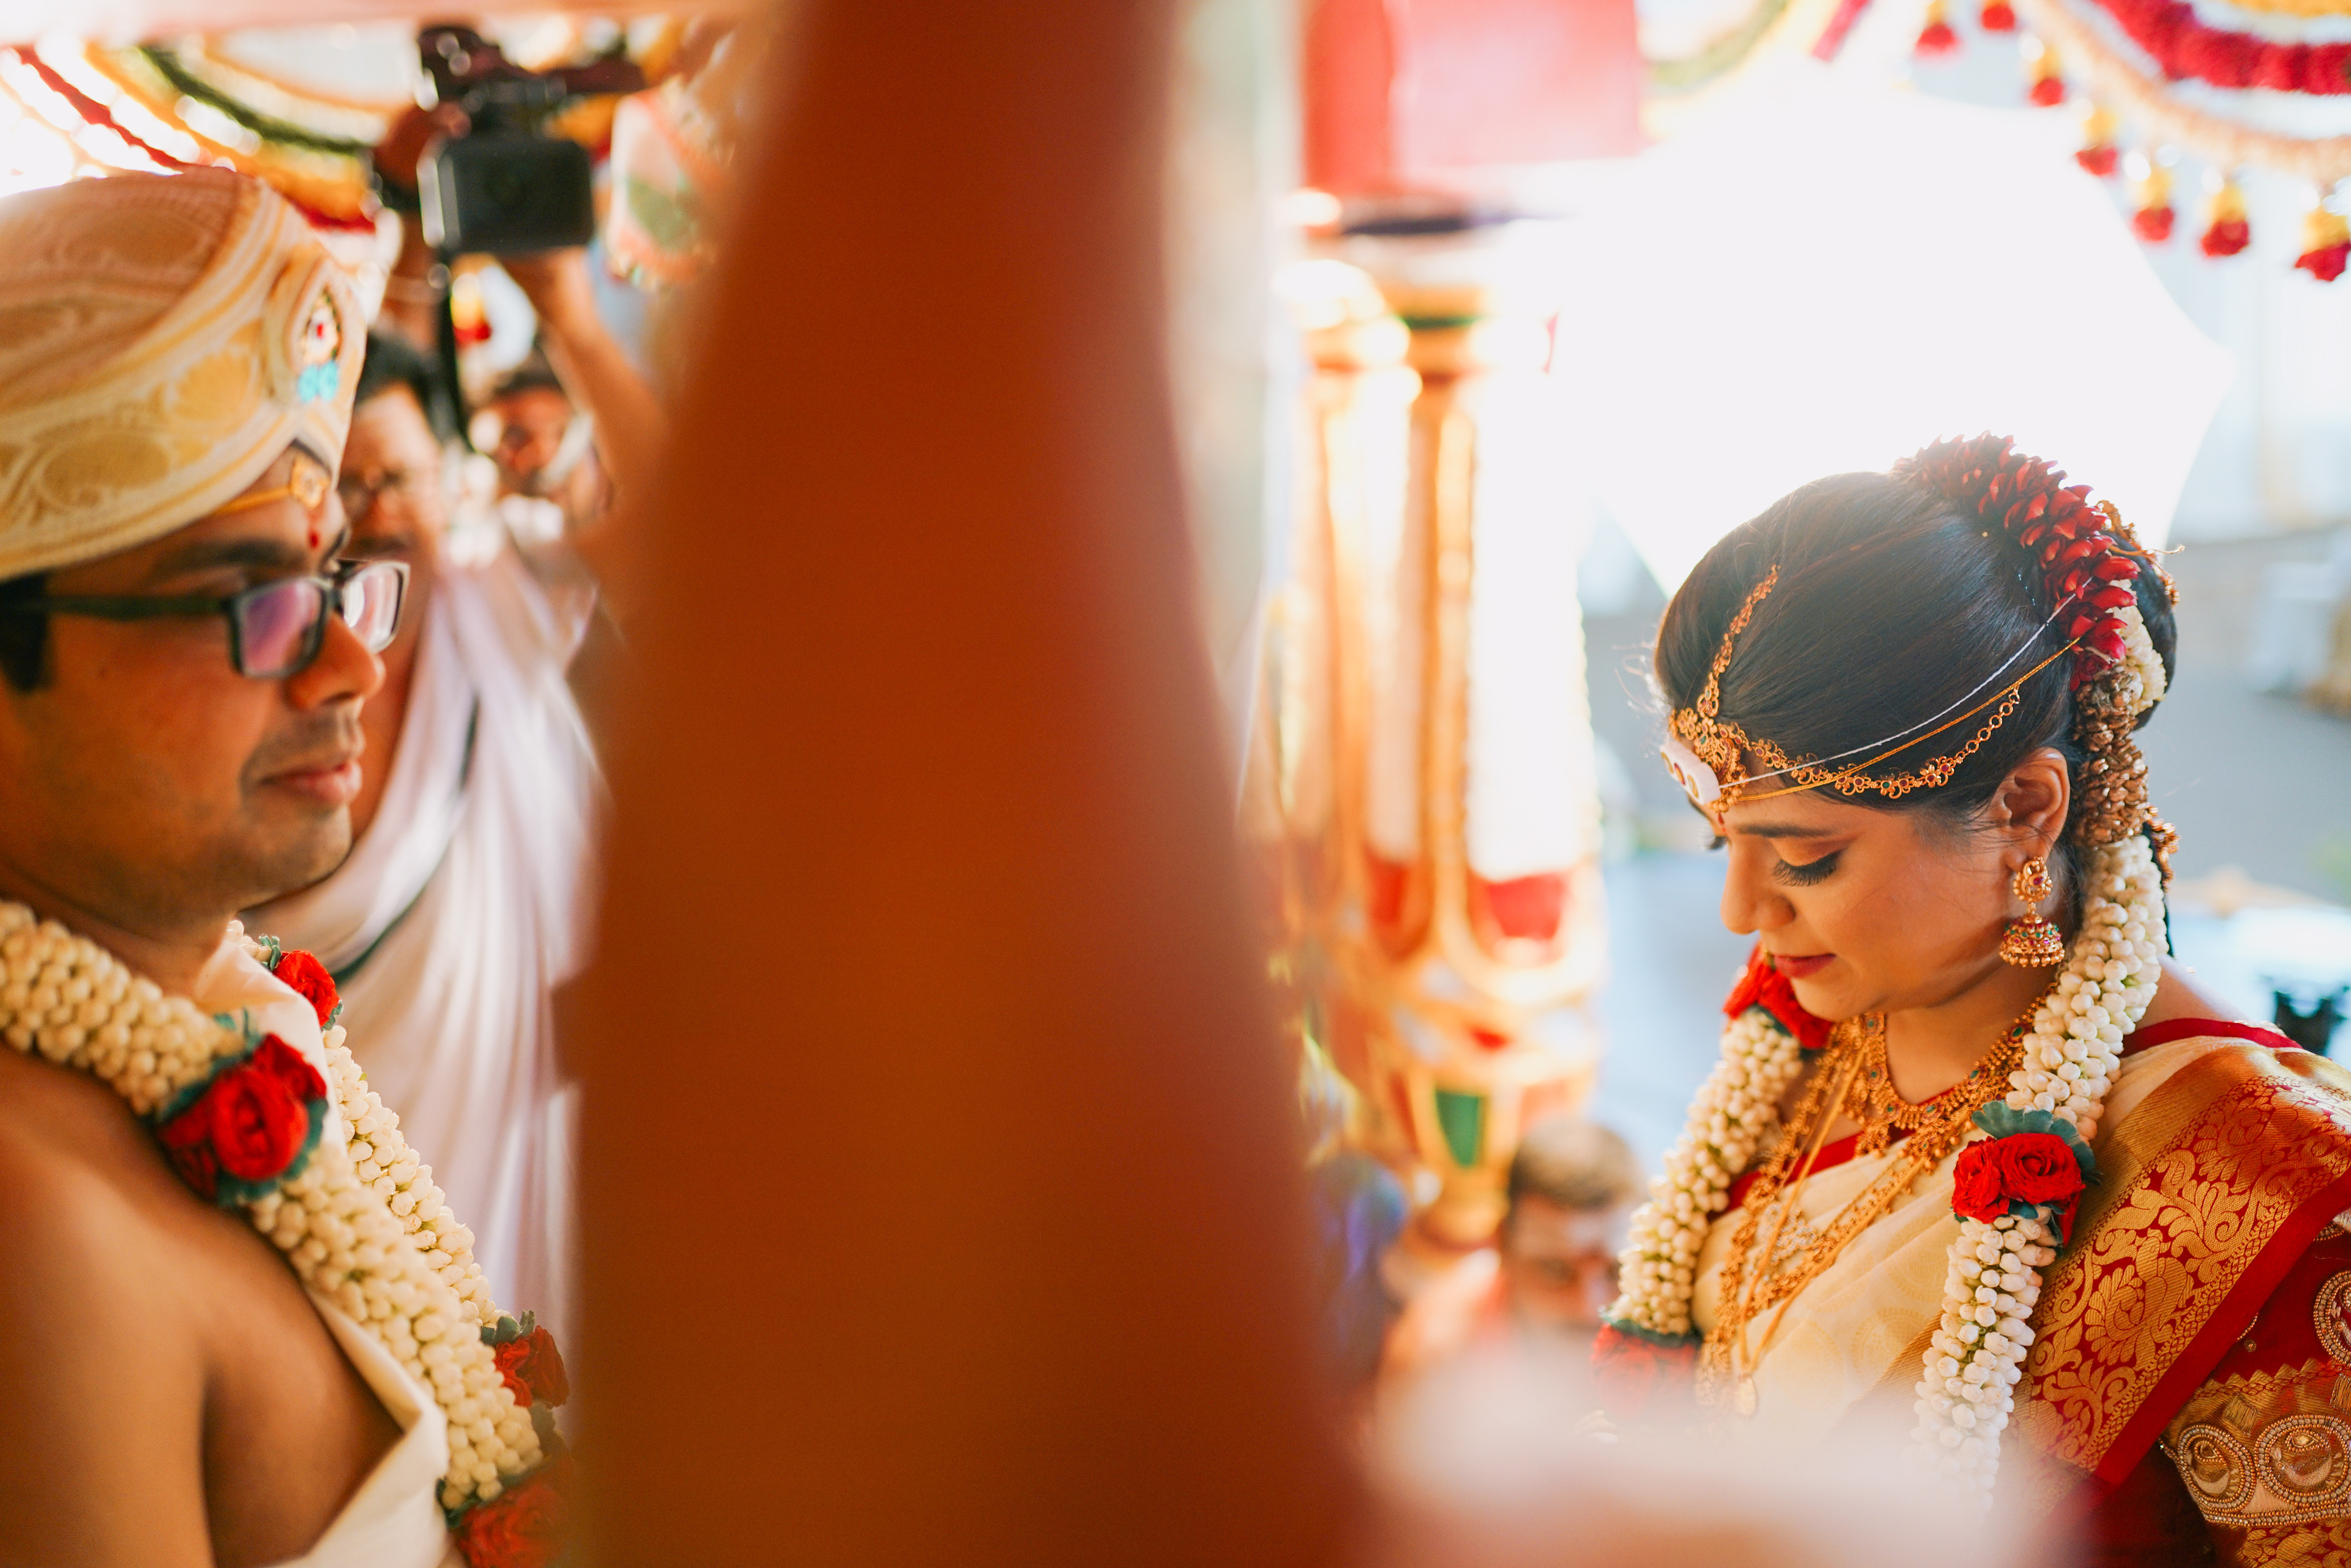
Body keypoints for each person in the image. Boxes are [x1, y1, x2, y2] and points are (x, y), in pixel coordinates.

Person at [1592, 437, 2351, 1562]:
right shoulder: (1809, 1035)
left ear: (2026, 810)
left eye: (1805, 858)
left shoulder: (2267, 1193)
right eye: (1722, 842)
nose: (1742, 911)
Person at [0, 168, 566, 1567]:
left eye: (331, 583)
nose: (352, 663)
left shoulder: (223, 1012)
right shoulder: (44, 1232)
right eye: (246, 600)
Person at [242, 320, 604, 1341]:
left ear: (447, 483)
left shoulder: (499, 604)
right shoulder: (257, 672)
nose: (384, 512)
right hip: (335, 1153)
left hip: (509, 1110)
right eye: (352, 487)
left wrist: (568, 312)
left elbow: (679, 530)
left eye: (403, 477)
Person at [1382, 1116, 1638, 1381]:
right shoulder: (1435, 1356)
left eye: (1616, 1271)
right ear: (1502, 1246)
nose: (1589, 1306)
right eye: (1555, 1270)